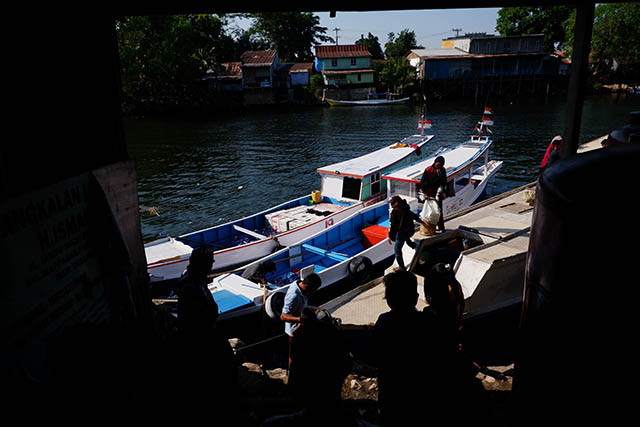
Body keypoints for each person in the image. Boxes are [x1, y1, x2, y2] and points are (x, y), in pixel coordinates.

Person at [174, 247, 237, 412]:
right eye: (209, 263)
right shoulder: (189, 285)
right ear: (200, 264)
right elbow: (195, 318)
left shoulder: (197, 279)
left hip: (206, 330)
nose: (211, 267)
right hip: (200, 335)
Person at [280, 273, 322, 369]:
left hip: (303, 326)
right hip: (294, 330)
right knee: (294, 355)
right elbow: (283, 316)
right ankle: (292, 373)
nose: (314, 292)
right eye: (314, 289)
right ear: (308, 286)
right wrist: (300, 319)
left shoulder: (300, 286)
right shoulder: (293, 296)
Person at [387, 195, 428, 271]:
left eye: (392, 203)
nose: (391, 205)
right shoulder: (406, 208)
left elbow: (393, 226)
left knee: (397, 250)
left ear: (396, 203)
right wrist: (422, 222)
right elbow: (414, 216)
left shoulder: (395, 211)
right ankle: (415, 246)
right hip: (410, 231)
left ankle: (402, 268)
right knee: (407, 239)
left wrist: (390, 236)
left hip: (402, 233)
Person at [419, 155, 449, 232]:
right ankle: (430, 227)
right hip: (429, 194)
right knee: (429, 211)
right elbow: (422, 182)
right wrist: (425, 193)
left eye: (440, 165)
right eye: (437, 165)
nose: (438, 166)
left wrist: (442, 190)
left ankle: (441, 227)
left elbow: (444, 182)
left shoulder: (442, 170)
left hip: (438, 193)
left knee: (439, 211)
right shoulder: (428, 169)